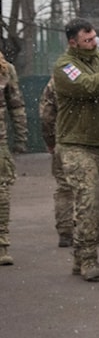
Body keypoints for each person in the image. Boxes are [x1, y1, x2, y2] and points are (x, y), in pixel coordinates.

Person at [51, 18, 99, 281]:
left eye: (94, 38)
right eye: (87, 40)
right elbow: (88, 86)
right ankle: (86, 258)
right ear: (73, 42)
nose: (93, 43)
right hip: (76, 145)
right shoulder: (65, 66)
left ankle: (85, 256)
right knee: (88, 200)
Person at [39, 79, 74, 247]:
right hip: (89, 142)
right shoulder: (95, 76)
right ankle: (88, 230)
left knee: (64, 187)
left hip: (63, 140)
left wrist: (50, 140)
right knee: (89, 188)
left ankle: (65, 231)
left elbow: (46, 115)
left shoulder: (56, 80)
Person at [0, 50, 28, 265]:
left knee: (2, 192)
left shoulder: (5, 69)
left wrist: (21, 137)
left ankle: (2, 243)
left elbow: (16, 105)